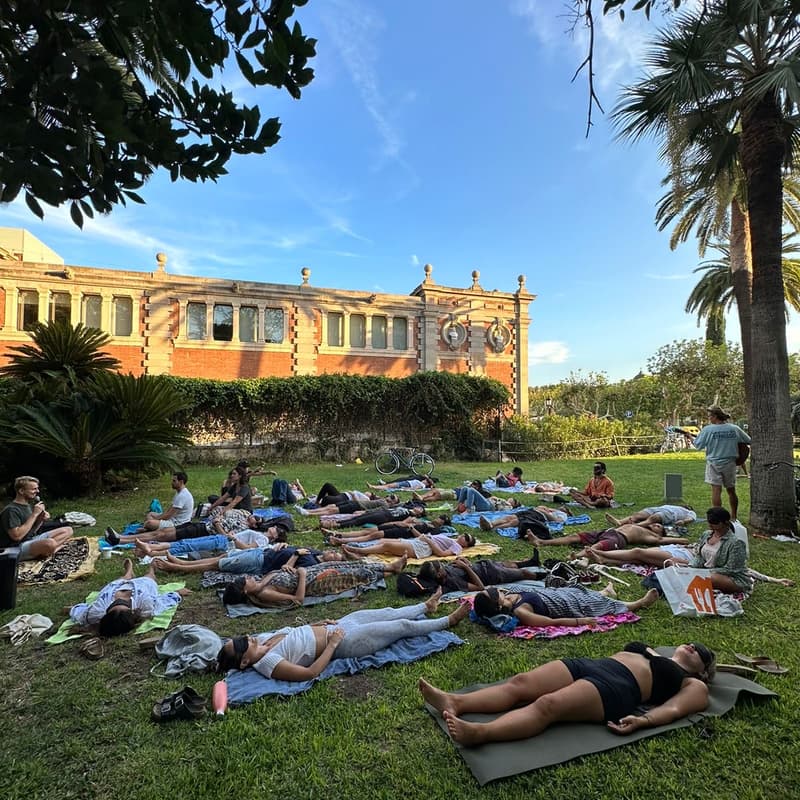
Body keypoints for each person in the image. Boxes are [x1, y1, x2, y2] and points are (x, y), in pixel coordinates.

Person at [418, 641, 715, 746]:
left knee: (547, 705)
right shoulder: (655, 651)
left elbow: (675, 710)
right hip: (595, 666)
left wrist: (645, 721)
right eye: (691, 643)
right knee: (520, 683)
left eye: (700, 651)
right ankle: (454, 701)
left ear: (703, 670)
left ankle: (482, 734)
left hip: (620, 688)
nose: (692, 646)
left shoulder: (694, 684)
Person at [217, 590, 470, 681]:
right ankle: (447, 622)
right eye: (241, 644)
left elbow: (296, 633)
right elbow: (309, 673)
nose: (246, 637)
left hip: (336, 626)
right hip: (343, 643)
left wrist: (319, 623)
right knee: (401, 626)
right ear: (243, 662)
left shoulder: (262, 640)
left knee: (387, 611)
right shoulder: (267, 663)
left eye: (240, 636)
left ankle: (426, 607)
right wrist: (333, 644)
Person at [219, 557, 410, 607]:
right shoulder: (263, 593)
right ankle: (391, 570)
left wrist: (288, 570)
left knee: (348, 564)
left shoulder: (260, 585)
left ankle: (390, 567)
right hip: (313, 583)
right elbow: (298, 599)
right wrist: (301, 575)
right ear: (245, 591)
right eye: (247, 580)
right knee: (354, 574)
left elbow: (274, 575)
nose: (251, 577)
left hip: (307, 573)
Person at [69, 558, 190, 637]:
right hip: (143, 587)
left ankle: (128, 573)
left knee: (118, 582)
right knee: (149, 578)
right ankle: (152, 569)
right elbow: (162, 602)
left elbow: (78, 611)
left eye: (114, 605)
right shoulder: (145, 606)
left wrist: (70, 609)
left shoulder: (96, 612)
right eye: (123, 605)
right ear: (132, 612)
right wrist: (177, 592)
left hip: (114, 588)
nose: (120, 600)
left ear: (105, 614)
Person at [471, 584, 660, 626]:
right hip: (565, 605)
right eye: (495, 593)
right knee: (595, 603)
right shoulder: (521, 611)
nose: (497, 589)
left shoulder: (510, 594)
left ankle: (605, 591)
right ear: (498, 603)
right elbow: (549, 622)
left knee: (580, 591)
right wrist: (580, 621)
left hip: (558, 593)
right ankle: (637, 604)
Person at [106, 507, 290, 545]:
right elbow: (221, 510)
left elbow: (227, 537)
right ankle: (122, 538)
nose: (254, 518)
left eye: (257, 520)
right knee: (162, 532)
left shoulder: (246, 531)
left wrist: (218, 524)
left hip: (204, 531)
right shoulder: (242, 514)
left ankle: (121, 540)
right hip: (201, 523)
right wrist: (217, 515)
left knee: (160, 536)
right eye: (255, 516)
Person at [690, 406, 751, 521]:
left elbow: (698, 445)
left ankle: (718, 519)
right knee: (731, 490)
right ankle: (734, 516)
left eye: (709, 416)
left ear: (715, 416)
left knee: (716, 490)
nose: (709, 419)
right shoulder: (734, 428)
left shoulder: (708, 430)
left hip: (713, 463)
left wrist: (689, 437)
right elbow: (748, 440)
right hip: (730, 463)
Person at [0, 475, 73, 560]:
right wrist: (34, 514)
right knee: (50, 543)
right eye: (34, 489)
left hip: (30, 540)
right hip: (16, 548)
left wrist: (40, 520)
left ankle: (45, 551)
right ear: (21, 491)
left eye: (37, 488)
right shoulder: (11, 510)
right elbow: (16, 537)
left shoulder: (28, 505)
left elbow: (32, 532)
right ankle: (51, 550)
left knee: (68, 530)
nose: (37, 491)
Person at [152, 545, 345, 576]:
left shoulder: (311, 565)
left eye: (335, 555)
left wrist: (296, 555)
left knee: (216, 565)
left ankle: (175, 568)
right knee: (221, 557)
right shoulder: (315, 551)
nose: (332, 552)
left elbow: (286, 568)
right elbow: (288, 549)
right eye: (335, 551)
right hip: (262, 551)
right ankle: (182, 563)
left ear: (331, 563)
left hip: (260, 563)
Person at [688, 507, 752, 593]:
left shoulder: (736, 543)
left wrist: (703, 572)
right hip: (706, 570)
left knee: (708, 578)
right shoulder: (706, 534)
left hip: (731, 577)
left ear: (725, 522)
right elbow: (700, 556)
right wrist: (691, 567)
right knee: (674, 563)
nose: (710, 524)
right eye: (709, 521)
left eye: (714, 522)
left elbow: (732, 569)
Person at [527, 522, 689, 552]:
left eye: (658, 527)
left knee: (596, 547)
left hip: (619, 539)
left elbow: (662, 540)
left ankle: (578, 557)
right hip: (608, 531)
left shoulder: (651, 537)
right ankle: (542, 542)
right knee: (575, 537)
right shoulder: (641, 525)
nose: (655, 525)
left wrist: (683, 541)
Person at [418, 556, 545, 593]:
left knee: (509, 563)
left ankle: (531, 562)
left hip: (485, 565)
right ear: (439, 574)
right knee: (523, 573)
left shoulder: (445, 571)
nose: (443, 565)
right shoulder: (453, 582)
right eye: (440, 566)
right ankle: (544, 577)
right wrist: (467, 568)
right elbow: (480, 587)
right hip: (492, 574)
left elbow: (455, 564)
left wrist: (461, 560)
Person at [341, 531, 476, 561]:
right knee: (383, 540)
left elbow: (441, 554)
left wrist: (428, 541)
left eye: (466, 537)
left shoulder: (457, 547)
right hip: (419, 541)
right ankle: (361, 549)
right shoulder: (451, 538)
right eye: (465, 534)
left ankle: (358, 551)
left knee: (387, 545)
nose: (463, 536)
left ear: (466, 544)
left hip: (423, 548)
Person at [327, 514, 451, 544]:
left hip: (403, 532)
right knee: (368, 531)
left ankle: (340, 540)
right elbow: (407, 520)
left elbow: (420, 537)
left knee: (371, 536)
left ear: (443, 523)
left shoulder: (435, 531)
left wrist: (411, 527)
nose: (438, 518)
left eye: (441, 518)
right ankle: (339, 534)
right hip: (396, 525)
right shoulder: (426, 521)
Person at [479, 506, 563, 534]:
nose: (561, 507)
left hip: (539, 516)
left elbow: (557, 521)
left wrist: (544, 511)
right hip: (531, 511)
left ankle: (493, 528)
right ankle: (491, 524)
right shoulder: (550, 509)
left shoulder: (562, 514)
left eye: (563, 508)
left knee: (515, 522)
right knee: (509, 517)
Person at [605, 505, 697, 529]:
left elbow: (691, 518)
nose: (686, 505)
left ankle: (632, 527)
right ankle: (620, 522)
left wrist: (684, 522)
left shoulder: (689, 512)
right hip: (658, 508)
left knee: (653, 519)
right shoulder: (675, 505)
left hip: (670, 514)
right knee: (637, 515)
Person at [368, 476, 436, 491]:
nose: (424, 480)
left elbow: (414, 489)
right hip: (405, 483)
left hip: (406, 484)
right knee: (389, 486)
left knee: (389, 486)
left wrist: (405, 488)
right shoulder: (422, 483)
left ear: (427, 483)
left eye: (426, 480)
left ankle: (373, 487)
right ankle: (376, 487)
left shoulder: (422, 485)